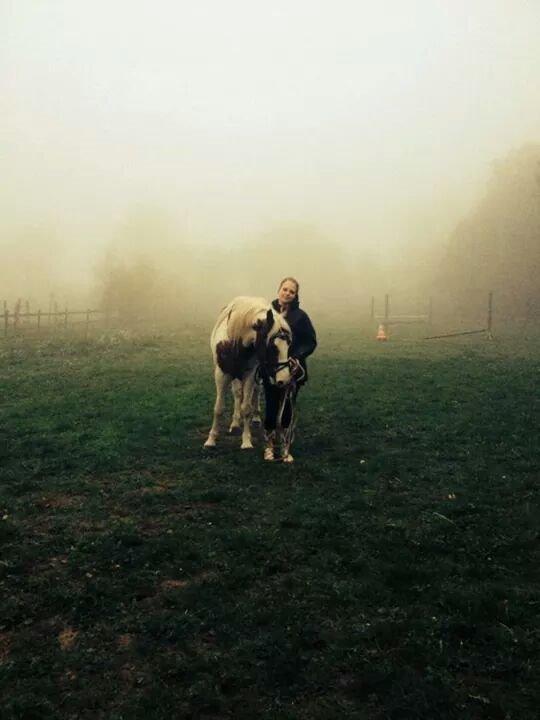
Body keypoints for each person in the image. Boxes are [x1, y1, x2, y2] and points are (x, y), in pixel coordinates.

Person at [263, 277, 317, 462]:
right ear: (278, 289)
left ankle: (285, 446)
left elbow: (311, 341)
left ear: (295, 296)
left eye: (291, 291)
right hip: (271, 369)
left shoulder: (301, 317)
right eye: (284, 289)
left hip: (292, 368)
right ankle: (269, 447)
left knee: (287, 407)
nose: (287, 293)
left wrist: (297, 356)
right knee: (270, 406)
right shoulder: (266, 314)